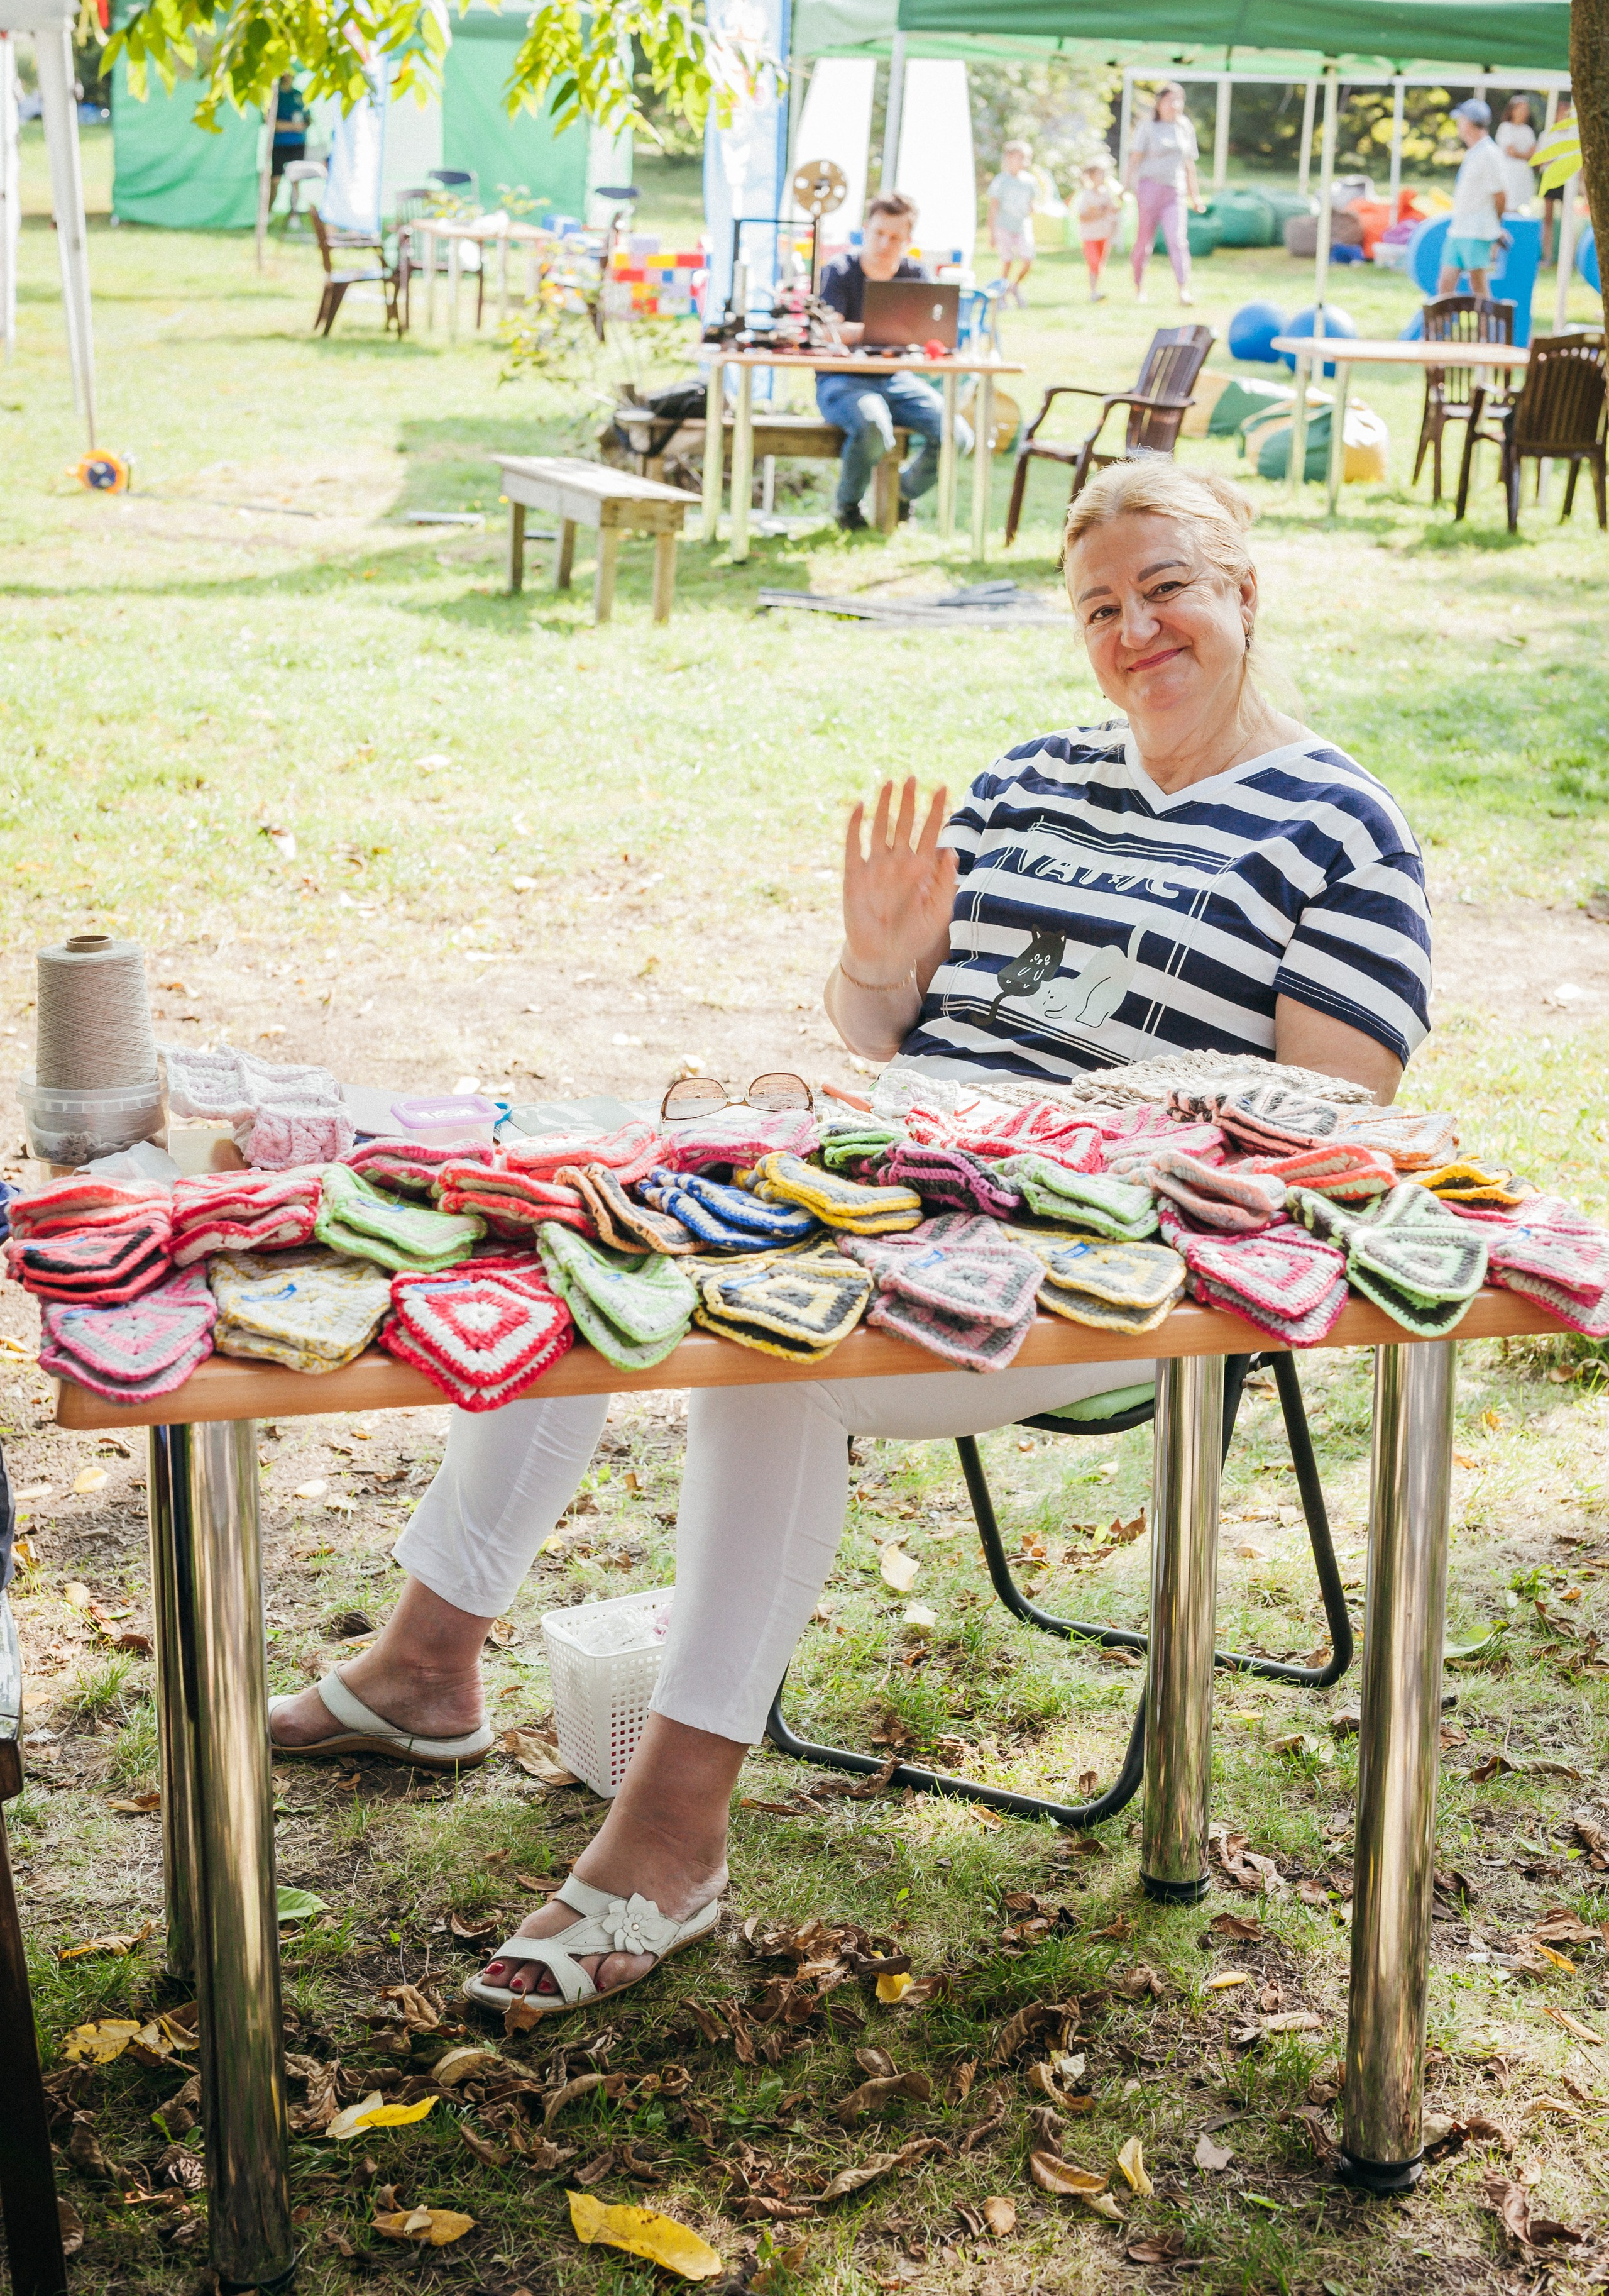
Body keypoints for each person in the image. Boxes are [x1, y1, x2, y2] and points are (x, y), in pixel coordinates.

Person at [269, 460, 1431, 2019]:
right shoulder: (1029, 780)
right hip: (892, 1171)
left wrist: (1080, 1137)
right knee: (584, 1227)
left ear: (1240, 591)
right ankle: (424, 1666)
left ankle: (669, 1837)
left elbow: (1328, 1120)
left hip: (1097, 1253)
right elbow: (884, 1030)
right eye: (1098, 606)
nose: (1132, 630)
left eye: (1165, 589)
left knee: (773, 1351)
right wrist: (877, 970)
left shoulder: (1339, 826)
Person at [813, 192, 973, 533]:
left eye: (895, 237)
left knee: (957, 436)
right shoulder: (839, 271)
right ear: (865, 230)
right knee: (873, 426)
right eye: (879, 233)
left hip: (897, 380)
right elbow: (827, 331)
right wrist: (881, 331)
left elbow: (930, 331)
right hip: (842, 380)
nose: (885, 243)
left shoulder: (916, 274)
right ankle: (848, 507)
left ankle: (901, 494)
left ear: (908, 240)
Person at [1125, 83, 1204, 304]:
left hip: (1175, 192)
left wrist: (1195, 196)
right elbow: (1134, 159)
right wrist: (1125, 187)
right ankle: (1139, 288)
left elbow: (1189, 165)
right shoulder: (1147, 127)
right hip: (1149, 190)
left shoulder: (1185, 127)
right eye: (1170, 100)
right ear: (1159, 103)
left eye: (1179, 100)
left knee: (1177, 240)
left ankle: (1183, 290)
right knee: (1144, 241)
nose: (1175, 105)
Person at [1437, 97, 1508, 299]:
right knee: (1445, 285)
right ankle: (1445, 321)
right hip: (1459, 229)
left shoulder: (1490, 154)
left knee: (1478, 286)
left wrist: (1496, 226)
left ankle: (1487, 321)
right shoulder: (1473, 153)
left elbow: (1500, 195)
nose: (1459, 126)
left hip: (1477, 231)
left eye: (1461, 121)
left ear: (1469, 122)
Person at [987, 140, 1040, 306]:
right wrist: (992, 233)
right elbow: (993, 208)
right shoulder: (1001, 181)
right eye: (1020, 158)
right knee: (1008, 261)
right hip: (1004, 226)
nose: (1024, 162)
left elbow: (1032, 203)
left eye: (1026, 158)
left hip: (1022, 226)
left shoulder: (1030, 181)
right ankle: (1001, 294)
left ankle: (1014, 287)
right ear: (1009, 158)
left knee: (1028, 259)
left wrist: (1033, 208)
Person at [1074, 153, 1123, 301]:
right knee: (1094, 262)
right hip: (1089, 236)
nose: (1102, 177)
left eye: (1103, 174)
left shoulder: (1106, 193)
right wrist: (1100, 213)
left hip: (1104, 234)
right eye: (1099, 174)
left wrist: (1119, 203)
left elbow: (1113, 210)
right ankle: (1093, 292)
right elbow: (1083, 216)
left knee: (1100, 264)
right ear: (1091, 176)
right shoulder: (1086, 195)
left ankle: (1095, 291)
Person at [1541, 90, 1573, 266]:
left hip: (1568, 180)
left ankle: (1568, 257)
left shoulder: (1574, 135)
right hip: (1552, 179)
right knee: (1548, 219)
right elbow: (1541, 158)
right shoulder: (1549, 134)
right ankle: (1547, 256)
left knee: (1568, 219)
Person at [1495, 92, 1537, 219]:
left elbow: (1533, 153)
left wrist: (1521, 154)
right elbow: (1510, 151)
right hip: (1509, 173)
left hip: (1523, 175)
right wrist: (1525, 155)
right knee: (1508, 205)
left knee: (1520, 207)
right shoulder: (1505, 128)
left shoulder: (1528, 131)